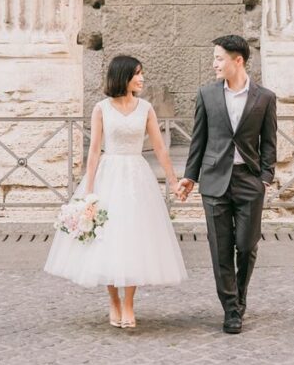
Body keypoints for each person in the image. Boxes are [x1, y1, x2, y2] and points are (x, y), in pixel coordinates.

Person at [44, 55, 187, 329]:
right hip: (108, 174)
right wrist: (88, 192)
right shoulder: (101, 108)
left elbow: (159, 147)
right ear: (123, 77)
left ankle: (130, 303)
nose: (142, 78)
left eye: (142, 73)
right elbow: (95, 150)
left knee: (133, 237)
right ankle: (113, 300)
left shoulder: (145, 108)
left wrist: (172, 180)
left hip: (136, 176)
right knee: (107, 238)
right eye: (137, 74)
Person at [176, 35, 277, 334]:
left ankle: (240, 297)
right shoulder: (206, 94)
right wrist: (190, 176)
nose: (214, 64)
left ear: (238, 61)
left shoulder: (265, 97)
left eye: (219, 58)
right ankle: (231, 309)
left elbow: (269, 142)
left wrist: (265, 179)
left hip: (249, 181)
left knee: (246, 246)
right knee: (221, 249)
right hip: (214, 181)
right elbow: (199, 139)